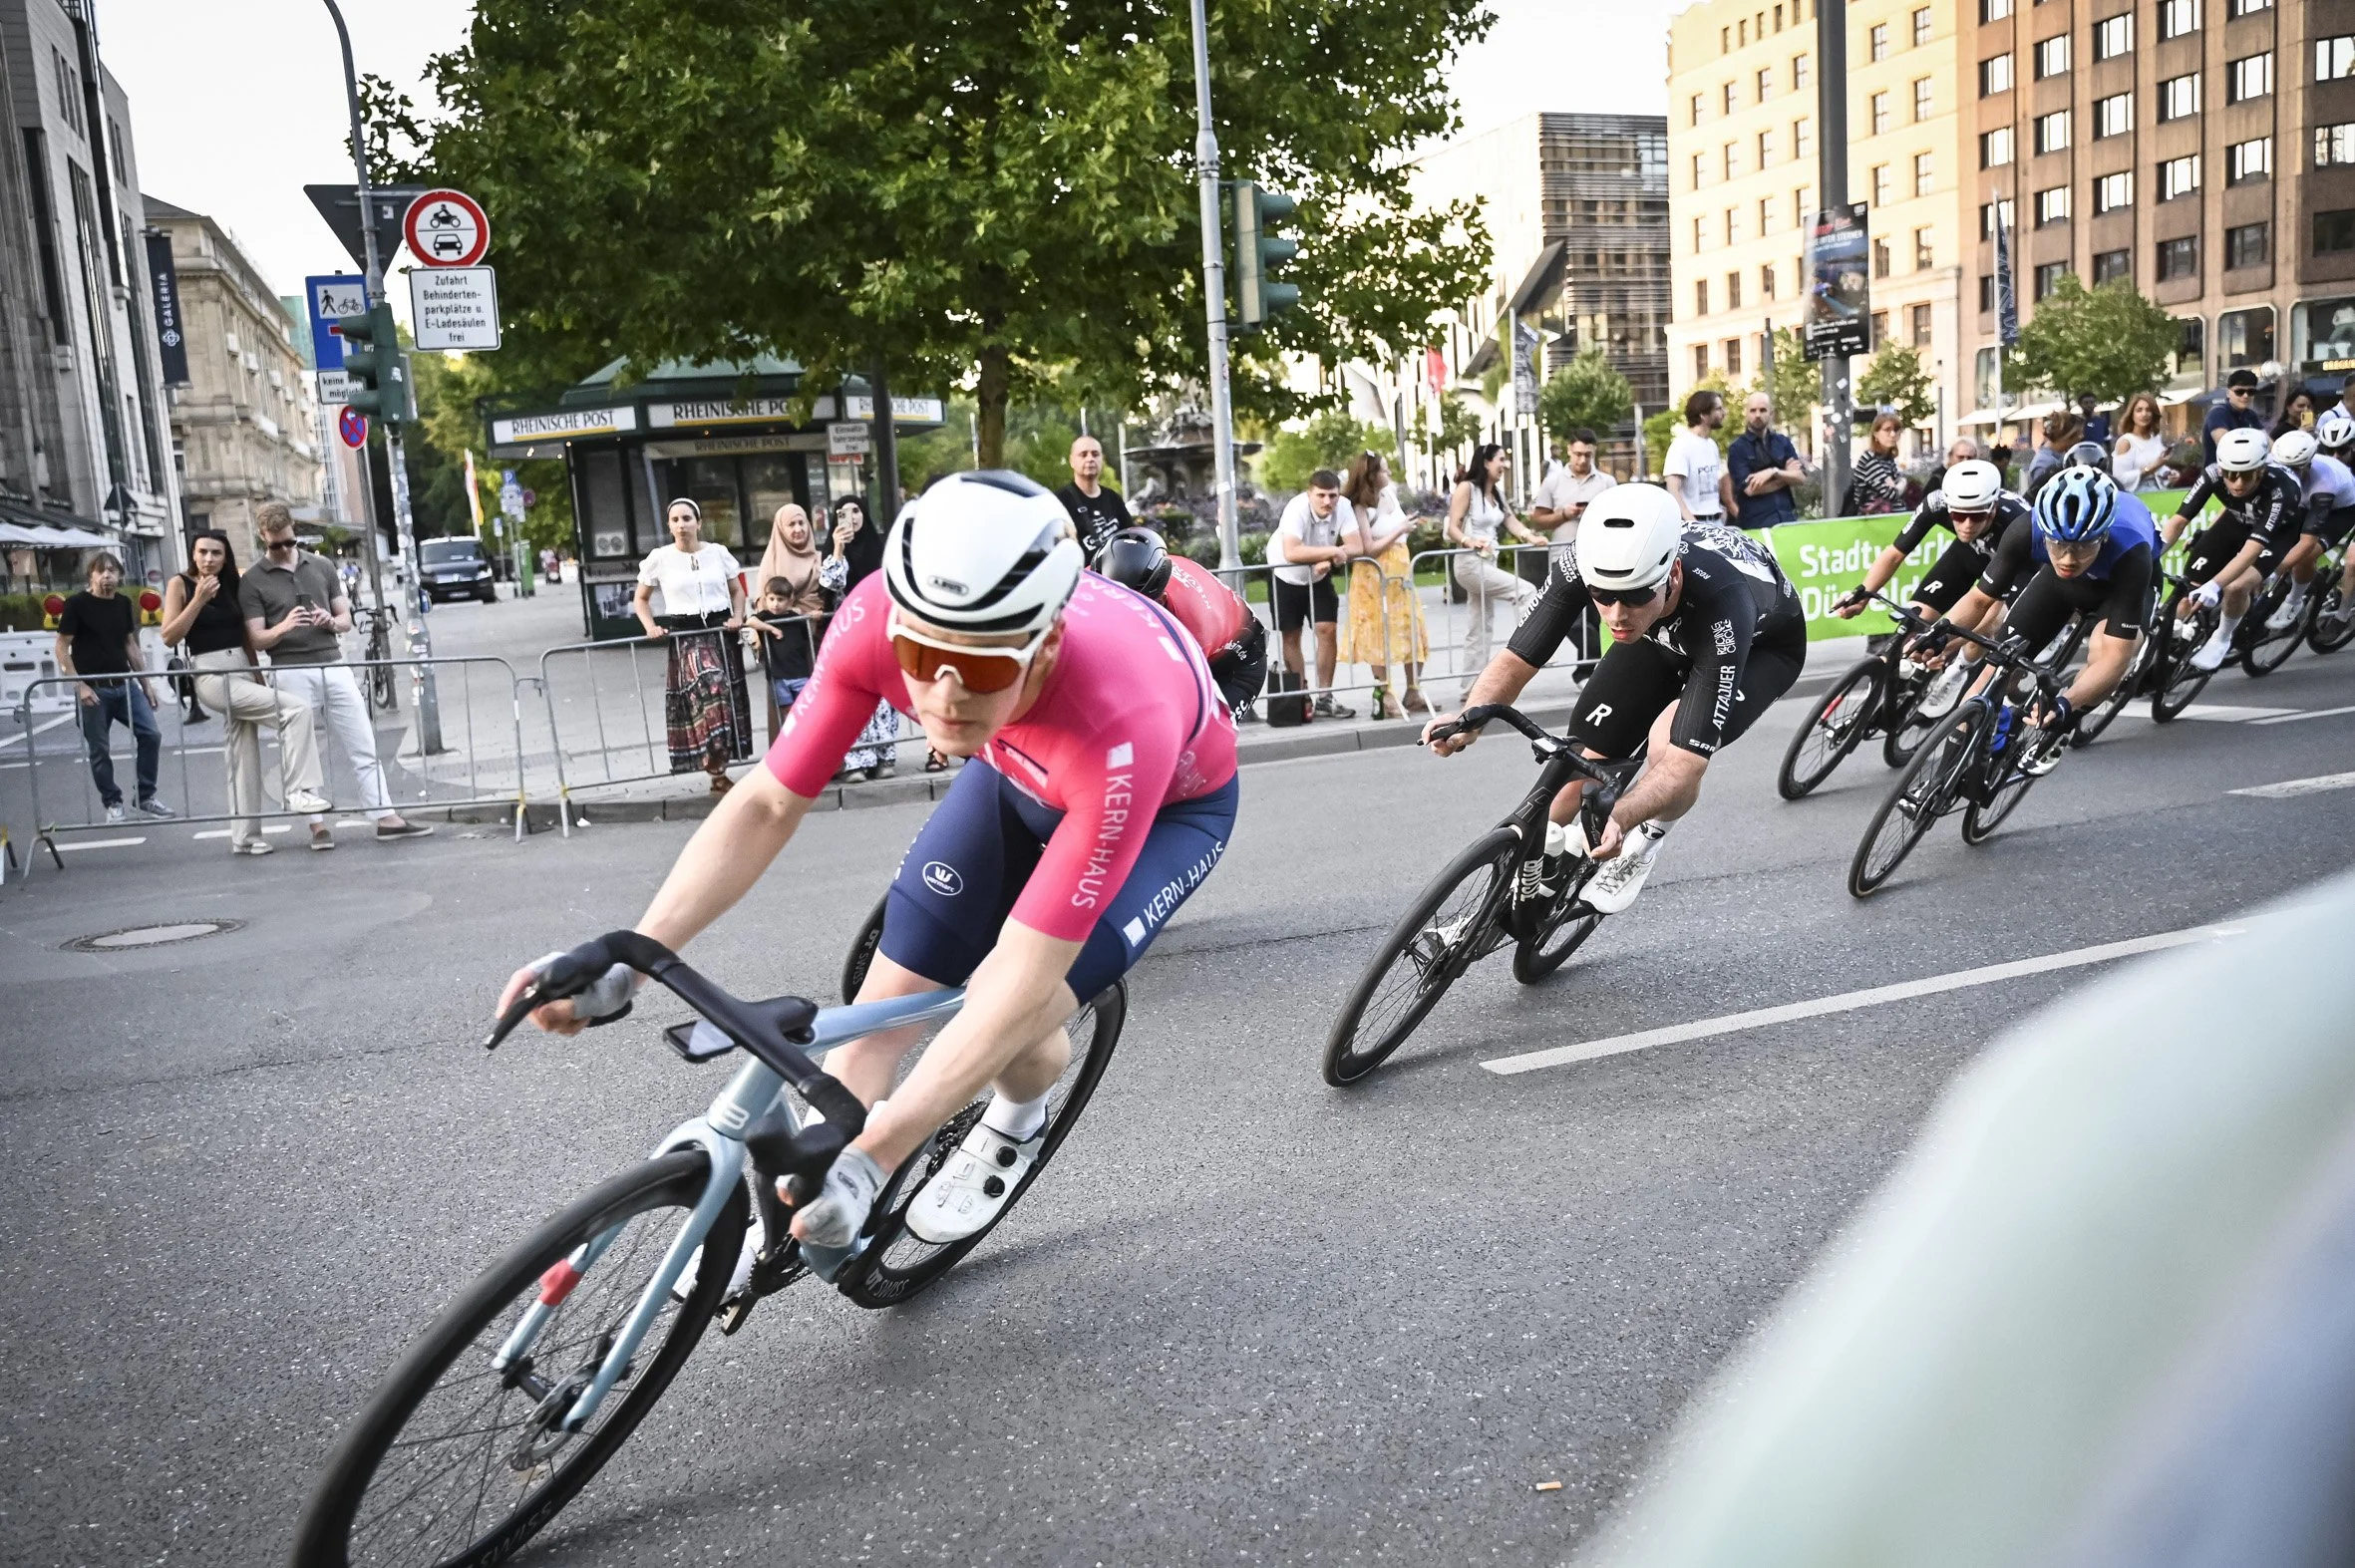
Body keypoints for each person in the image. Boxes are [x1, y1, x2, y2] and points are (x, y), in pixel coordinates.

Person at [499, 470, 1239, 1273]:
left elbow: (1023, 978)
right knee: (881, 1012)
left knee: (1013, 1005)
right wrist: (630, 957)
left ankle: (1019, 1119)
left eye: (982, 668)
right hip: (1017, 763)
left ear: (1047, 644)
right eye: (921, 655)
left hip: (1162, 804)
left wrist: (874, 1157)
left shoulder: (1126, 717)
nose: (943, 696)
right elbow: (765, 805)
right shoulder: (875, 619)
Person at [1424, 484, 1806, 916]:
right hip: (1658, 636)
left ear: (1672, 575)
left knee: (1668, 742)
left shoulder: (1724, 601)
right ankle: (1487, 915)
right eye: (1602, 596)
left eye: (1635, 594)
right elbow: (1517, 659)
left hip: (1758, 649)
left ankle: (1644, 846)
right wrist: (1469, 718)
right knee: (1581, 762)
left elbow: (1686, 763)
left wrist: (1623, 816)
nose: (1616, 615)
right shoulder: (1583, 565)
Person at [1927, 466, 2154, 761]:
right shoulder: (2025, 529)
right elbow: (1979, 599)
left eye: (2083, 546)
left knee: (2104, 655)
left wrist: (2066, 704)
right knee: (1992, 671)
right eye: (2057, 545)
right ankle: (1940, 783)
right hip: (2058, 586)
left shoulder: (2132, 554)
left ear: (2104, 536)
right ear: (2044, 533)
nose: (2068, 559)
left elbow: (2114, 658)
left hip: (2118, 589)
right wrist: (1938, 634)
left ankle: (2062, 718)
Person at [240, 504, 431, 847]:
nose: (283, 550)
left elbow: (344, 618)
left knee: (362, 739)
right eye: (275, 546)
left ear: (294, 531)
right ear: (262, 538)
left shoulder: (322, 565)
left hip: (332, 662)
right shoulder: (253, 579)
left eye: (288, 542)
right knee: (300, 750)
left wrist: (330, 621)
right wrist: (283, 627)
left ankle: (385, 817)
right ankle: (317, 826)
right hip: (288, 668)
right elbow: (255, 638)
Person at [161, 529, 331, 853]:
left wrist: (258, 677)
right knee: (295, 710)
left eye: (216, 553)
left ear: (225, 557)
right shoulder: (180, 584)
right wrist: (198, 600)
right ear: (193, 554)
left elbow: (246, 637)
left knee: (243, 752)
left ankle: (245, 837)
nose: (208, 559)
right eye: (202, 552)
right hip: (210, 673)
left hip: (241, 667)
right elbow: (169, 636)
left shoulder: (235, 585)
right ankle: (298, 790)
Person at [633, 496, 753, 794]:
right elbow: (641, 599)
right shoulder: (660, 558)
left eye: (687, 518)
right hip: (686, 635)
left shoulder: (718, 554)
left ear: (698, 523)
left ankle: (718, 770)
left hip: (719, 630)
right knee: (711, 683)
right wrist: (651, 627)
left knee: (723, 697)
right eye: (675, 520)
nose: (681, 525)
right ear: (669, 526)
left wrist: (738, 617)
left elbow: (737, 591)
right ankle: (712, 762)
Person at [2162, 426, 2304, 672]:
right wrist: (2152, 553)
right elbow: (2178, 521)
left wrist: (2215, 585)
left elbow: (2253, 548)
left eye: (2247, 476)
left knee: (2236, 587)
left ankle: (2223, 637)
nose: (2237, 483)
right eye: (2230, 474)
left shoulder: (2281, 490)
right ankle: (2164, 652)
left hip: (2277, 534)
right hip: (2237, 520)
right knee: (2188, 589)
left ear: (2261, 471)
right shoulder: (2213, 474)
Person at [1092, 527, 1268, 716]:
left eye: (1131, 607)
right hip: (1204, 629)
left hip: (1237, 664)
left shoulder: (1192, 623)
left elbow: (1166, 693)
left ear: (1159, 597)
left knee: (1187, 733)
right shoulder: (1089, 580)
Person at [55, 551, 169, 823]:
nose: (107, 575)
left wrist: (147, 685)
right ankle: (113, 802)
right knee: (99, 749)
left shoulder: (122, 603)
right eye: (100, 571)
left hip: (124, 685)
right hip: (93, 690)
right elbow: (61, 647)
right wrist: (79, 686)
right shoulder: (76, 604)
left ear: (119, 575)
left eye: (112, 571)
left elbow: (130, 644)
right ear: (91, 575)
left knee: (151, 734)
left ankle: (145, 796)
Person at [1336, 450, 1430, 718]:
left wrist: (1406, 525)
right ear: (1371, 476)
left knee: (1410, 627)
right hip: (1374, 577)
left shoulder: (1390, 494)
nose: (1389, 474)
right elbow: (1368, 547)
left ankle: (1413, 689)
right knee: (1378, 634)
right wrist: (1400, 530)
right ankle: (1385, 691)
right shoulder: (1359, 507)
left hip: (1400, 574)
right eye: (1384, 470)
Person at [1444, 444, 1543, 688]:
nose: (1504, 465)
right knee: (1525, 590)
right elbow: (1451, 528)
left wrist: (1531, 538)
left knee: (1479, 625)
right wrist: (1470, 541)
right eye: (1500, 459)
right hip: (1470, 564)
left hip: (1488, 563)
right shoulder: (1467, 489)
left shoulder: (1496, 494)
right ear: (1486, 462)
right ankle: (1534, 645)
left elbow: (1511, 521)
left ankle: (1471, 686)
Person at [819, 494, 901, 779]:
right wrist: (839, 547)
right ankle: (856, 760)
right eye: (843, 512)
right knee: (854, 696)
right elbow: (831, 582)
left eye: (856, 511)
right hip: (849, 632)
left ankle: (884, 757)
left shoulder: (880, 547)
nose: (851, 517)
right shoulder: (832, 550)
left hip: (880, 630)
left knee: (884, 697)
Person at [1272, 469, 1358, 718]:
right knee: (1291, 635)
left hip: (1319, 575)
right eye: (1320, 495)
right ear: (1309, 493)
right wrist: (1331, 553)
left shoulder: (1343, 507)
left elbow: (1356, 545)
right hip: (1285, 574)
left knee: (1327, 629)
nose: (1327, 502)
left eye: (1332, 495)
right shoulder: (1296, 508)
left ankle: (1325, 696)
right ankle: (1302, 694)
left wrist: (1329, 560)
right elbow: (1292, 552)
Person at [750, 503, 832, 740]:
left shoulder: (818, 557)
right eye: (791, 524)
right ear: (780, 529)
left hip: (818, 638)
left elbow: (826, 593)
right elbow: (762, 604)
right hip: (784, 650)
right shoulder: (772, 562)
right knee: (788, 710)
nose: (798, 529)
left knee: (821, 703)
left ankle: (828, 760)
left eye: (801, 523)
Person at [2260, 429, 2355, 630]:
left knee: (2305, 555)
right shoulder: (2269, 462)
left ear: (2308, 465)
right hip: (2303, 501)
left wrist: (2271, 569)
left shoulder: (2325, 482)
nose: (2288, 475)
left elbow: (2308, 542)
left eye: (2295, 469)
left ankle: (2294, 600)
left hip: (2341, 510)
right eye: (2283, 468)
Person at [1529, 428, 1618, 549]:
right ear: (1569, 450)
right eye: (1578, 454)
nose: (1583, 460)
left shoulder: (1607, 482)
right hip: (1562, 557)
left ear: (1594, 452)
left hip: (1599, 555)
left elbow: (1618, 519)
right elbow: (1537, 522)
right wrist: (1564, 515)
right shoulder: (1552, 481)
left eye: (1588, 455)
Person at [1725, 395, 1806, 529]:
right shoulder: (1737, 448)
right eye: (1753, 410)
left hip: (1787, 520)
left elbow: (1801, 477)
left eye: (1762, 410)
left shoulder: (1782, 442)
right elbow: (1751, 489)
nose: (1757, 415)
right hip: (1756, 524)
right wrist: (1786, 475)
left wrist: (1773, 472)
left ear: (1771, 413)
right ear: (1746, 413)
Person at [1054, 435, 1135, 557]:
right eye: (1083, 454)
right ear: (1071, 461)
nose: (1090, 459)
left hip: (1115, 574)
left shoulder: (1113, 498)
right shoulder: (1060, 502)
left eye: (1095, 454)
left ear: (1102, 459)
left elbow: (1131, 537)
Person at [1663, 390, 1733, 523]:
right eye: (1718, 409)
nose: (1723, 413)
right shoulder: (1682, 446)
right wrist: (1692, 522)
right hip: (1696, 523)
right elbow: (1673, 489)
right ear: (1703, 415)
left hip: (1716, 521)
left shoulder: (1711, 444)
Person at [1845, 411, 1915, 514]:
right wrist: (1902, 483)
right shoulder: (1869, 459)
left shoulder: (1888, 459)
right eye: (1887, 430)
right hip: (1874, 519)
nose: (1892, 434)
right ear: (1875, 434)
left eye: (1896, 430)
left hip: (1893, 517)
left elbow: (1896, 488)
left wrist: (1899, 484)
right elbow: (1891, 494)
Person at [2019, 410, 2085, 503]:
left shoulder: (2060, 456)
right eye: (2079, 433)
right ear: (2068, 435)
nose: (2082, 436)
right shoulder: (2043, 463)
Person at [2201, 369, 2264, 465]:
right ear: (2228, 393)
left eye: (2251, 392)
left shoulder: (2251, 415)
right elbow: (2226, 446)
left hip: (2248, 471)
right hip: (2219, 474)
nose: (2246, 395)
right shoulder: (2218, 413)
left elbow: (2267, 442)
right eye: (2239, 391)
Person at [2111, 392, 2168, 492]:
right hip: (2136, 497)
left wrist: (2168, 474)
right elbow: (2120, 479)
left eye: (2148, 410)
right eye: (2139, 410)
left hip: (2159, 493)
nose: (2144, 414)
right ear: (2132, 414)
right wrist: (2149, 469)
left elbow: (2159, 468)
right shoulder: (2126, 442)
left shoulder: (2156, 438)